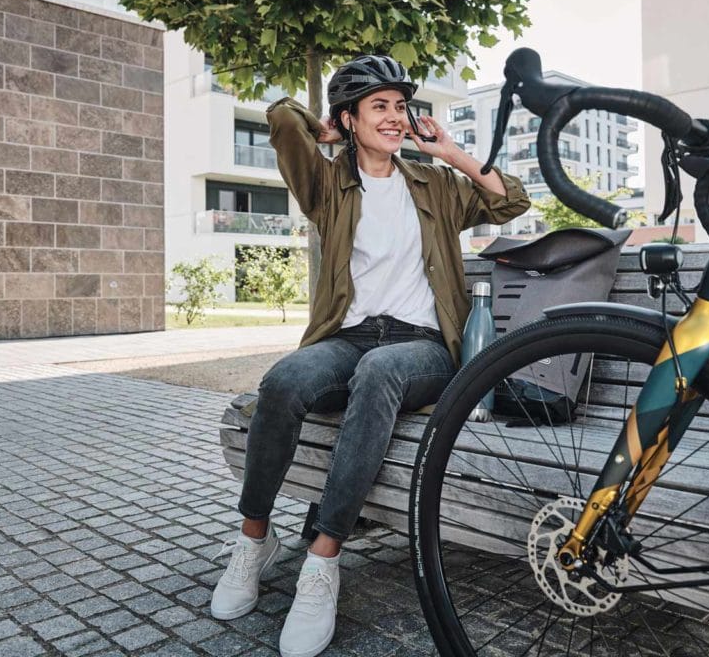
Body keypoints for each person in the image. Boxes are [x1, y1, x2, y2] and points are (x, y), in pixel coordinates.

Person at [210, 55, 530, 657]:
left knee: (381, 372)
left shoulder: (433, 184)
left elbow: (508, 201)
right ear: (350, 118)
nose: (395, 116)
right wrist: (325, 131)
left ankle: (323, 559)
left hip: (423, 347)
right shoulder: (328, 183)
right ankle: (254, 541)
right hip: (347, 338)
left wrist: (449, 152)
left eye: (400, 106)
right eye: (378, 106)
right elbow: (281, 119)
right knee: (282, 381)